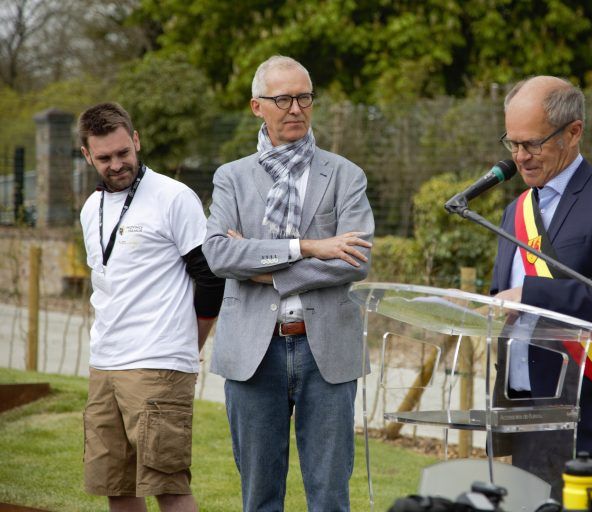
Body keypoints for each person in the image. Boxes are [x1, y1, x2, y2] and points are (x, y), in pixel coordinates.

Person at [202, 55, 375, 512]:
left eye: (304, 97)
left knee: (331, 497)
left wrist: (260, 268)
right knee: (259, 498)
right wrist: (310, 246)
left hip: (328, 355)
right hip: (253, 355)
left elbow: (355, 261)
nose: (296, 108)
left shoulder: (345, 175)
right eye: (283, 99)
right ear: (257, 106)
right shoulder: (231, 178)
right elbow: (219, 254)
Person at [489, 76, 592, 511]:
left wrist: (529, 293)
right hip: (528, 416)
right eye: (512, 143)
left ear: (573, 132)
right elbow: (505, 303)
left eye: (532, 144)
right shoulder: (515, 210)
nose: (520, 157)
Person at [78, 102, 224, 512]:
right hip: (104, 361)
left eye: (124, 152)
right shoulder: (91, 208)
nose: (117, 164)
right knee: (116, 484)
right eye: (104, 157)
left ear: (136, 140)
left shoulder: (174, 197)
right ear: (88, 155)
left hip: (159, 363)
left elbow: (211, 277)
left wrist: (187, 345)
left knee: (169, 486)